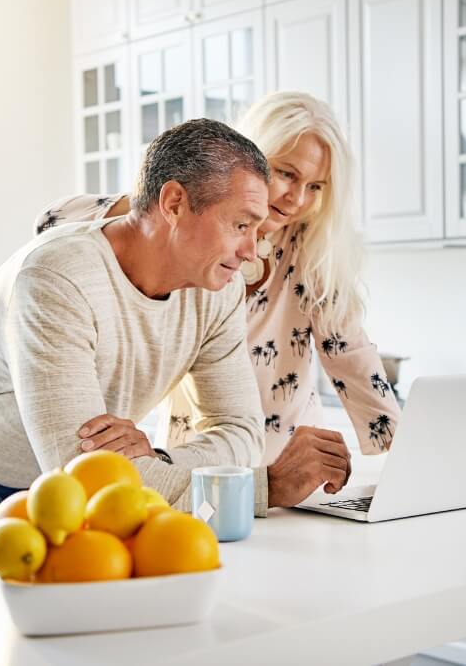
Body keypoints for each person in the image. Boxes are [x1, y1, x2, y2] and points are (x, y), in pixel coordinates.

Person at [0, 118, 352, 519]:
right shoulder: (58, 277)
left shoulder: (218, 287)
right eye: (240, 225)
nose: (252, 251)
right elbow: (87, 474)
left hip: (58, 472)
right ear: (174, 204)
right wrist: (260, 489)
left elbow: (241, 434)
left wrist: (155, 457)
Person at [35, 92, 401, 469]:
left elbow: (351, 355)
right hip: (194, 458)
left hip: (289, 465)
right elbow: (53, 219)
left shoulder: (312, 253)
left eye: (315, 186)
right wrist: (164, 207)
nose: (297, 199)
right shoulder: (185, 234)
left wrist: (407, 454)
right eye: (287, 174)